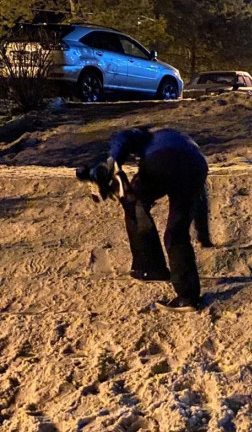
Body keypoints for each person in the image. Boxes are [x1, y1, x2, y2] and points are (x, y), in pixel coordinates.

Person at [77, 127, 212, 312]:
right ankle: (187, 298)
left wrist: (113, 162)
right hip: (197, 167)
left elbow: (122, 138)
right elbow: (201, 203)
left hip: (161, 162)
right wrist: (203, 237)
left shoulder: (149, 136)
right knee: (177, 232)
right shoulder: (186, 143)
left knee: (133, 204)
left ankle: (150, 267)